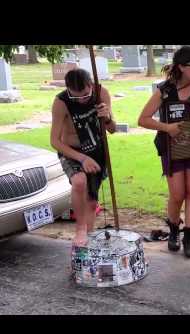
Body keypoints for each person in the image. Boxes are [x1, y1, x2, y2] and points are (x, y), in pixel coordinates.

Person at [138, 46, 190, 258]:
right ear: (181, 67)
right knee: (177, 195)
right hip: (172, 149)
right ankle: (174, 231)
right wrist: (167, 128)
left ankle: (189, 237)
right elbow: (143, 119)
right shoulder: (164, 90)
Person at [51, 68, 116, 248]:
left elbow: (113, 129)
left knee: (92, 200)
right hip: (72, 151)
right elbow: (54, 141)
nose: (81, 100)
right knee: (79, 182)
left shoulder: (101, 92)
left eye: (86, 95)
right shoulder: (61, 102)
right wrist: (81, 159)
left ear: (91, 86)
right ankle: (80, 228)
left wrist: (108, 117)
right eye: (75, 96)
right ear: (68, 90)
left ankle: (87, 241)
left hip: (96, 149)